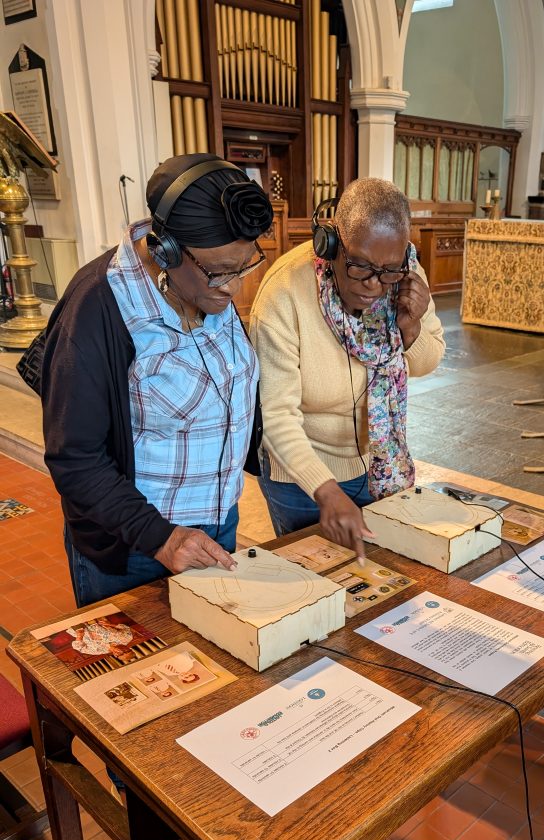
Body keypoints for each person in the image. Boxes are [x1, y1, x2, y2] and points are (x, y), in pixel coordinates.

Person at [42, 153, 273, 608]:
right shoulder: (97, 309)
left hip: (218, 525)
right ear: (165, 249)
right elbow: (75, 459)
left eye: (244, 266)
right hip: (135, 546)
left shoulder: (207, 287)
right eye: (220, 271)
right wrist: (161, 538)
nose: (234, 288)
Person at [250, 177, 445, 561]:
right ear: (332, 244)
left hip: (377, 463)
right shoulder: (283, 293)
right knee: (318, 582)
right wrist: (325, 490)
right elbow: (276, 417)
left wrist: (411, 324)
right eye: (361, 267)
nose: (375, 285)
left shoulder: (405, 277)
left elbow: (428, 361)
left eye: (388, 270)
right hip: (301, 476)